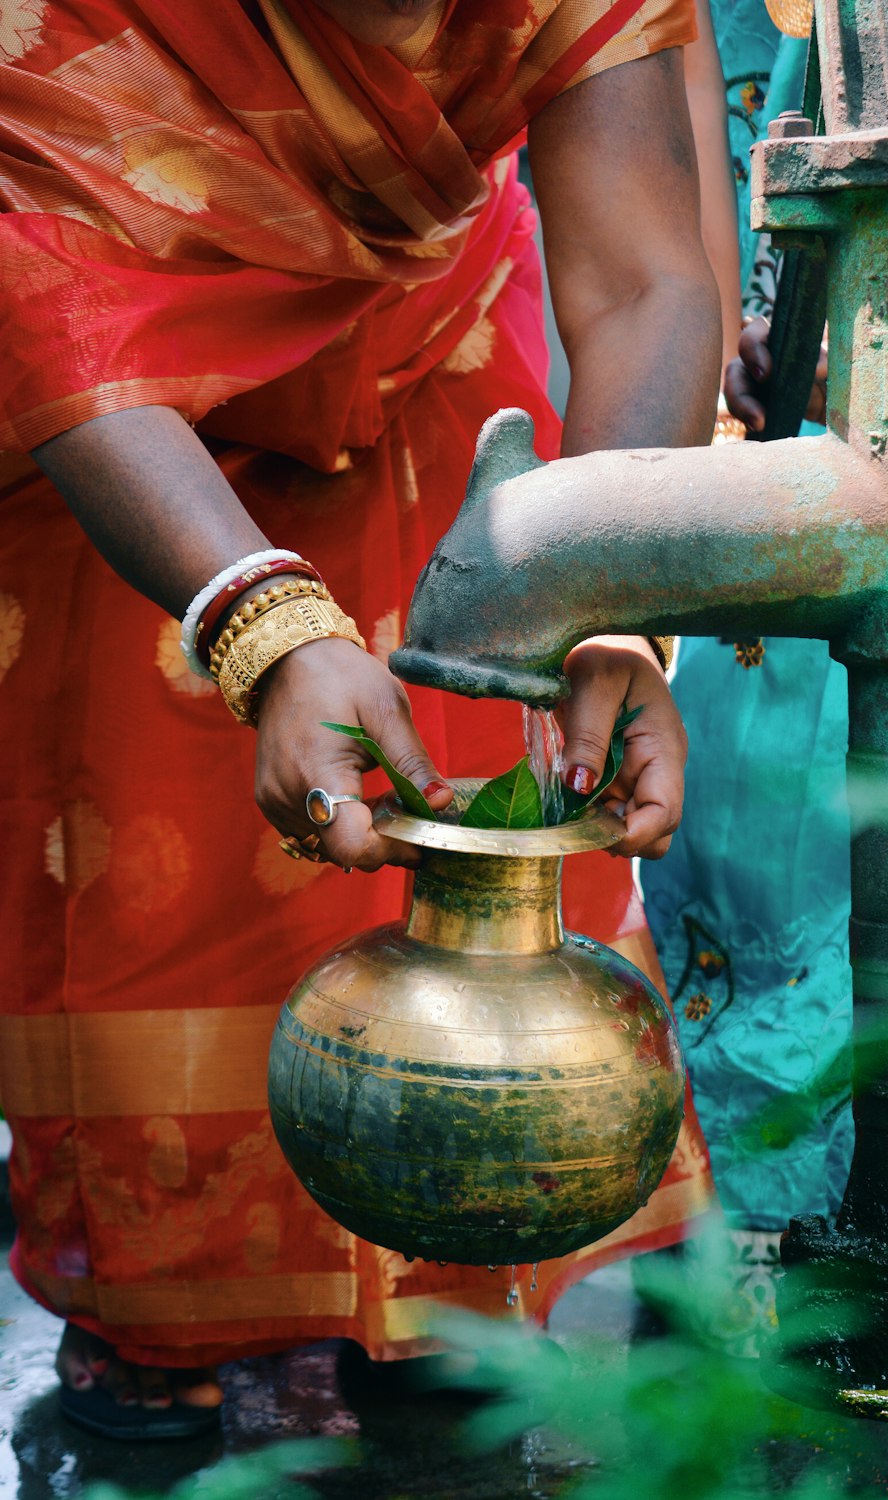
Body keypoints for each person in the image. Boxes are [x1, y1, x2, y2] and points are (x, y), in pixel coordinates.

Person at [0, 0, 719, 1439]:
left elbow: (648, 282)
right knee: (166, 848)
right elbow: (51, 290)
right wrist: (254, 619)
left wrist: (607, 604)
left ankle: (445, 1289)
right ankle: (185, 1314)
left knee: (467, 809)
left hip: (434, 360)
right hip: (124, 427)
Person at [639, 0, 854, 1358]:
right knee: (745, 840)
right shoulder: (834, 44)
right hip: (796, 454)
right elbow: (741, 250)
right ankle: (750, 1214)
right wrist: (739, 367)